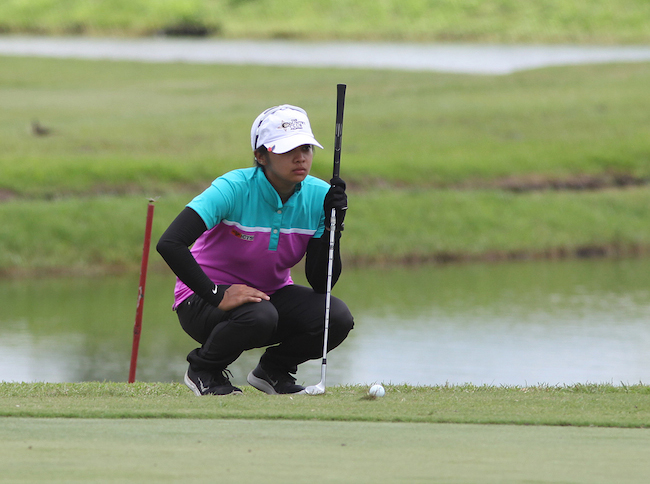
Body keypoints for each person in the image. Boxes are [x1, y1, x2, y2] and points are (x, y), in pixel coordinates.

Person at [156, 104, 354, 395]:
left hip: (269, 296)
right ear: (260, 156)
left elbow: (320, 282)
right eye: (288, 150)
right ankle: (203, 370)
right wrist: (216, 293)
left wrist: (334, 225)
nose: (301, 158)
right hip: (202, 300)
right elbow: (170, 243)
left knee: (335, 317)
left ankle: (272, 371)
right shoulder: (233, 188)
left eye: (307, 149)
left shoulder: (320, 196)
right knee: (260, 316)